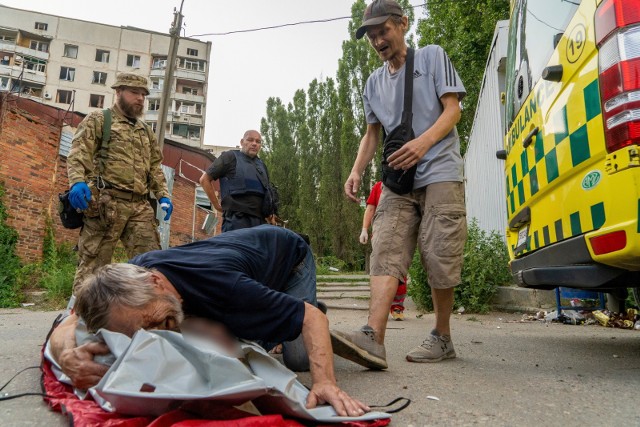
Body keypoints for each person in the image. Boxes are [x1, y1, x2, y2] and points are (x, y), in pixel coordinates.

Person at [48, 225, 370, 417]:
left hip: (289, 259)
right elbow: (68, 318)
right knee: (214, 338)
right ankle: (279, 311)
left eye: (154, 322)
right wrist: (65, 355)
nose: (156, 335)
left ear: (156, 283)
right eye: (143, 331)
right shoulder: (128, 277)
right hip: (239, 267)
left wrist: (326, 382)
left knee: (295, 355)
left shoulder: (224, 287)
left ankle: (293, 307)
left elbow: (309, 319)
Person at [334, 0, 467, 369]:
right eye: (372, 35)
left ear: (403, 24)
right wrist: (356, 170)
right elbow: (372, 132)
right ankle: (373, 338)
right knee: (386, 248)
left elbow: (453, 109)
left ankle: (442, 337)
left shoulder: (432, 57)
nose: (377, 40)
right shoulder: (373, 82)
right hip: (397, 180)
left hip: (440, 171)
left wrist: (423, 144)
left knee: (439, 253)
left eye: (383, 31)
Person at [66, 72, 172, 292]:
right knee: (93, 268)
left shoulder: (146, 132)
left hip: (140, 208)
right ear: (119, 92)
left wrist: (163, 195)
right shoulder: (99, 119)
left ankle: (149, 316)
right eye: (134, 92)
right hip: (106, 204)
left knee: (152, 265)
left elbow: (154, 167)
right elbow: (78, 153)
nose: (140, 98)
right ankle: (80, 320)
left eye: (143, 94)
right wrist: (77, 181)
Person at [199, 130, 274, 232]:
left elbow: (266, 193)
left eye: (258, 141)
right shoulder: (230, 157)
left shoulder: (262, 166)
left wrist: (270, 214)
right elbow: (204, 180)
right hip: (236, 220)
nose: (254, 144)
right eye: (250, 140)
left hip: (259, 222)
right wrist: (216, 206)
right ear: (242, 142)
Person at [359, 181, 407, 321]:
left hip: (402, 234)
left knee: (399, 272)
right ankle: (380, 307)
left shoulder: (407, 183)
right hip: (381, 234)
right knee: (380, 270)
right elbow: (370, 208)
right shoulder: (379, 186)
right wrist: (364, 229)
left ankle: (397, 306)